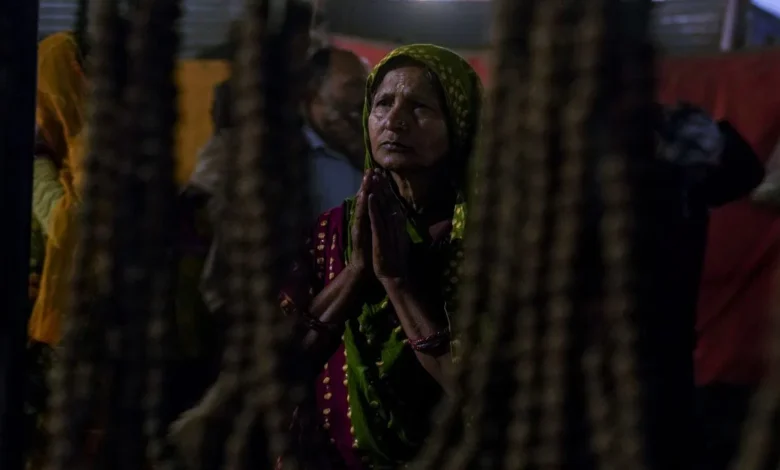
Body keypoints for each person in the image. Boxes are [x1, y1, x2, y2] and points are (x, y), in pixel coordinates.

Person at [280, 44, 481, 468]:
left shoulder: (488, 240)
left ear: (461, 123)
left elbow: (488, 396)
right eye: (383, 104)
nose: (395, 121)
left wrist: (398, 283)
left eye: (420, 107)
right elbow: (277, 367)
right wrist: (356, 273)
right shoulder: (334, 230)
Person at [302, 46, 368, 216]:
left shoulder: (364, 156)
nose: (364, 97)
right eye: (353, 85)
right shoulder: (290, 155)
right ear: (316, 90)